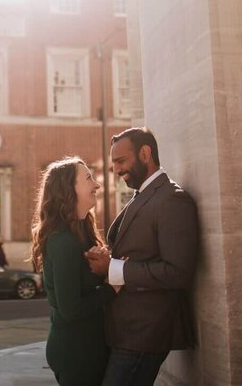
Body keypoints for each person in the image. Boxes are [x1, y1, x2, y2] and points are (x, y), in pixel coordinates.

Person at [85, 127, 199, 386]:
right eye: (113, 162)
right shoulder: (144, 195)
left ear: (145, 153)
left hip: (145, 334)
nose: (115, 170)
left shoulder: (173, 200)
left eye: (121, 161)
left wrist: (112, 268)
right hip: (126, 331)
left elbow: (178, 272)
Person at [29, 156, 117, 385]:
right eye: (88, 178)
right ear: (69, 189)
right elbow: (71, 309)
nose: (97, 184)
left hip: (90, 347)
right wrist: (112, 288)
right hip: (76, 354)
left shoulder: (83, 230)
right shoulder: (63, 241)